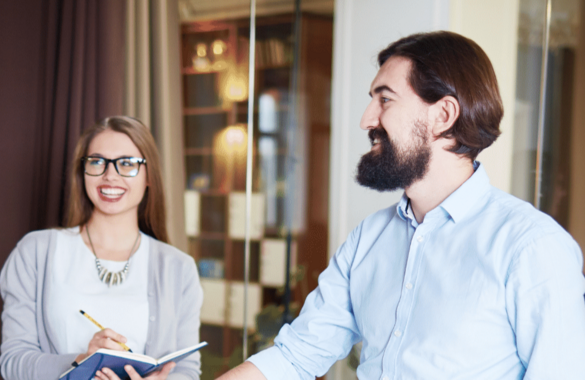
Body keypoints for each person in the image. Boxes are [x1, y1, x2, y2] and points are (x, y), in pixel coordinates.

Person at [217, 31, 585, 380]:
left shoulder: (532, 247)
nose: (366, 119)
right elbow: (296, 356)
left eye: (385, 99)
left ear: (443, 115)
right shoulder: (369, 237)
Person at [0, 116, 204, 380]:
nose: (110, 176)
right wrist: (82, 362)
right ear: (82, 172)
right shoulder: (35, 252)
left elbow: (187, 371)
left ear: (149, 176)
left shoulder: (179, 267)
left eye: (127, 163)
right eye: (97, 162)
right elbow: (12, 362)